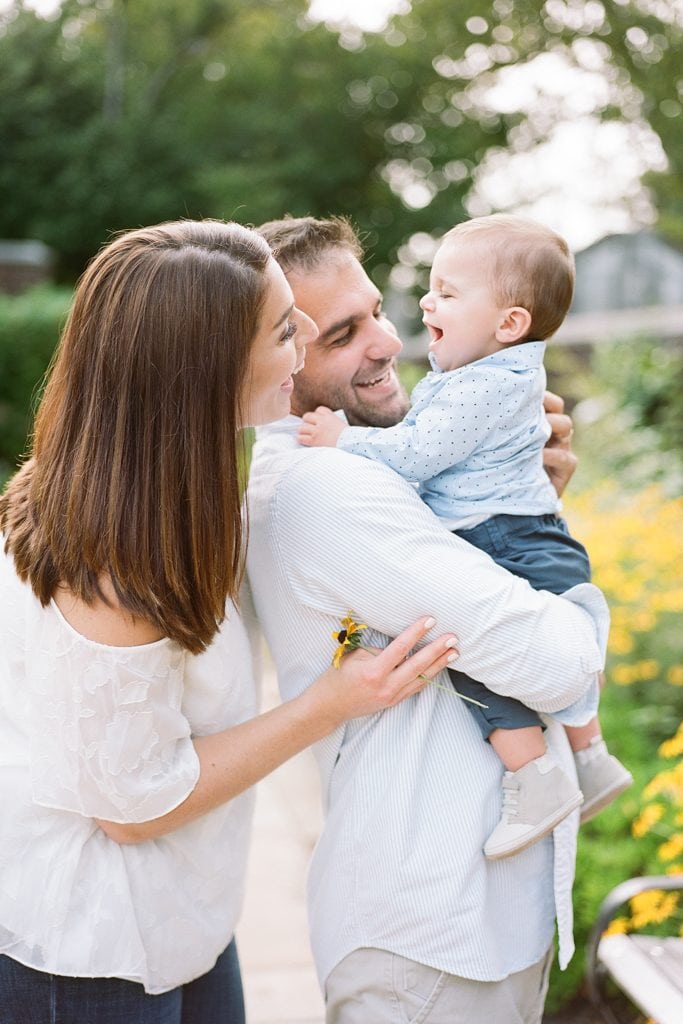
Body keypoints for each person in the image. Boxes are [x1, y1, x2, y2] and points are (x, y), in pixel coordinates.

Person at [0, 219, 459, 1024]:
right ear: (206, 369)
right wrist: (330, 703)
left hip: (185, 919)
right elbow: (132, 808)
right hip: (89, 953)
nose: (308, 337)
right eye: (287, 328)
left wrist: (505, 489)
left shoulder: (172, 486)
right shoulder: (112, 563)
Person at [246, 214, 610, 1024]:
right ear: (273, 362)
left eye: (377, 310)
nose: (384, 342)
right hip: (431, 936)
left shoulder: (386, 473)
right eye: (342, 333)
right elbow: (559, 664)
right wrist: (559, 592)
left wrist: (520, 506)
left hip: (465, 921)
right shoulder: (327, 488)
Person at [297, 213, 632, 861]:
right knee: (486, 638)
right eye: (431, 287)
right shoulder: (494, 377)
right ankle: (587, 759)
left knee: (467, 654)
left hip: (505, 538)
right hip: (521, 534)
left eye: (447, 293)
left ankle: (532, 776)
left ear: (508, 324)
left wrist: (345, 438)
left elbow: (420, 453)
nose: (424, 303)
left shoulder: (481, 383)